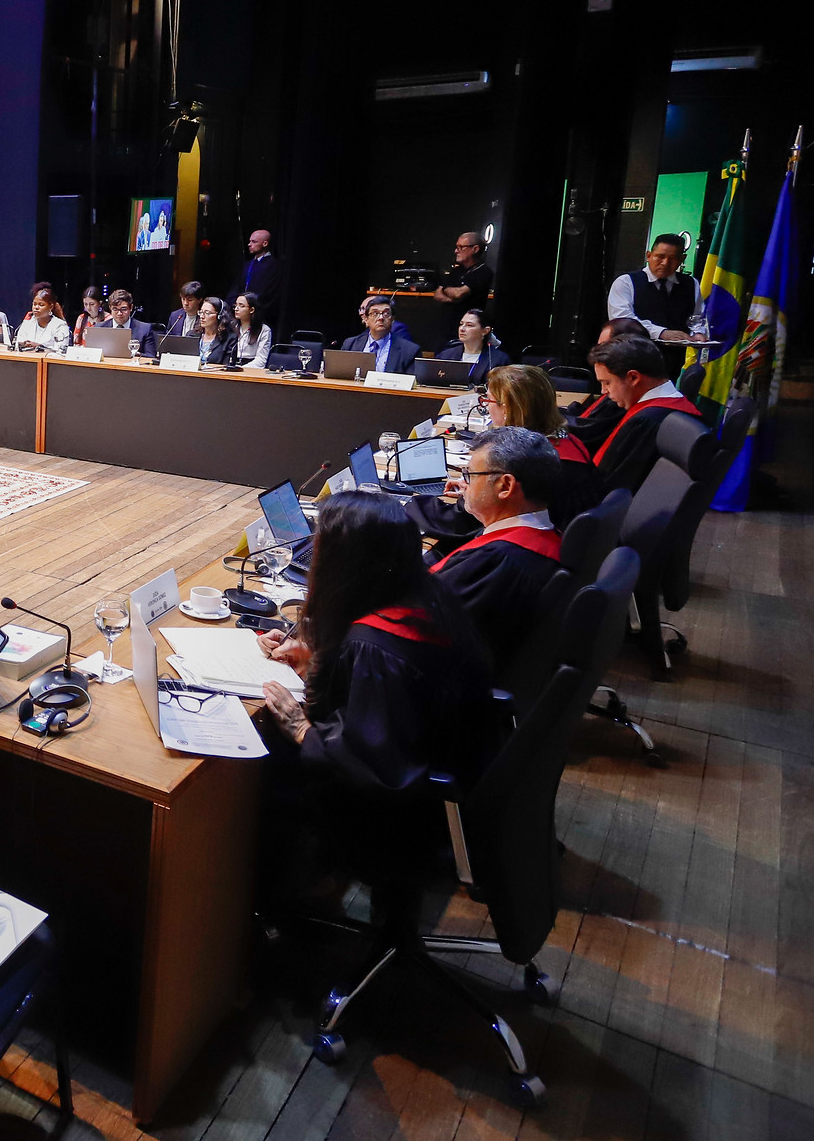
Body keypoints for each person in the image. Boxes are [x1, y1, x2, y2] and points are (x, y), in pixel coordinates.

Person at [251, 491, 490, 908]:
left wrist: (302, 729)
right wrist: (320, 657)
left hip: (390, 813)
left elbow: (370, 758)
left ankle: (280, 901)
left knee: (257, 755)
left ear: (343, 560)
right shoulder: (427, 595)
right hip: (447, 776)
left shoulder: (376, 647)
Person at [428, 428, 563, 667]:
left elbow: (418, 618)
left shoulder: (496, 561)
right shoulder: (542, 536)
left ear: (505, 486)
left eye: (469, 475)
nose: (464, 484)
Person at [475, 364, 601, 525]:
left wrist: (475, 490)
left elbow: (468, 519)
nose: (487, 406)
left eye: (488, 399)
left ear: (506, 408)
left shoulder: (522, 462)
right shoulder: (568, 440)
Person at [586, 334, 701, 497]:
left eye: (607, 382)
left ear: (633, 377)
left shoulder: (648, 421)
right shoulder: (667, 407)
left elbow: (612, 486)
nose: (603, 391)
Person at [563, 316, 650, 452]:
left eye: (604, 346)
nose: (604, 390)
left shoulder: (625, 395)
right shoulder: (618, 388)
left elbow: (588, 433)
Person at [607, 233, 699, 342]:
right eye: (660, 257)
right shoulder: (626, 282)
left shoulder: (691, 283)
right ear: (649, 256)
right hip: (637, 352)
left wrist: (698, 333)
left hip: (680, 355)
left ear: (682, 259)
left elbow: (698, 317)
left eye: (673, 258)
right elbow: (623, 321)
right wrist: (660, 333)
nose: (665, 263)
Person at [341, 295, 420, 375]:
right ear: (366, 319)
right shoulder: (350, 345)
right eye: (375, 313)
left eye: (386, 313)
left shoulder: (409, 351)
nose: (380, 318)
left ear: (392, 319)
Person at [229, 230, 285, 331]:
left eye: (254, 242)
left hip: (260, 316)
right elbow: (237, 287)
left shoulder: (274, 266)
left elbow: (269, 292)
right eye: (249, 241)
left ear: (265, 243)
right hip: (241, 315)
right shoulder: (247, 265)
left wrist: (251, 306)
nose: (249, 244)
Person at [435, 308, 508, 383]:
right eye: (461, 324)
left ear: (485, 331)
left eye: (469, 325)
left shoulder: (499, 360)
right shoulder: (445, 356)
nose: (462, 329)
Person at [433, 232, 494, 318]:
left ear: (475, 249)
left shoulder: (483, 271)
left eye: (460, 247)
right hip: (448, 324)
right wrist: (453, 299)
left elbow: (458, 293)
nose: (456, 251)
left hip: (470, 324)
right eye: (456, 247)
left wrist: (446, 289)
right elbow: (438, 294)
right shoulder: (456, 270)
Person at [13, 285, 71, 353]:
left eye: (41, 305)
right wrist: (23, 344)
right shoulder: (27, 323)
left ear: (51, 307)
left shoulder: (60, 326)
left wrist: (40, 347)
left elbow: (62, 350)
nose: (36, 307)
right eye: (34, 304)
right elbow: (17, 344)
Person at [101, 288, 156, 357]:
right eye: (115, 309)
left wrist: (136, 355)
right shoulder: (100, 328)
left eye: (123, 309)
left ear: (131, 308)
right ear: (110, 308)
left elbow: (151, 356)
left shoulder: (145, 329)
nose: (119, 313)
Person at [231, 292, 273, 368]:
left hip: (251, 369)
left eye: (241, 306)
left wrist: (240, 369)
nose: (236, 309)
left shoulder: (264, 330)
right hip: (230, 367)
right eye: (236, 305)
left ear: (252, 310)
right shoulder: (231, 327)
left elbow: (261, 361)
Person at [193, 297, 237, 364]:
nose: (202, 316)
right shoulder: (192, 335)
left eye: (207, 313)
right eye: (201, 312)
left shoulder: (229, 339)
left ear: (219, 316)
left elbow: (227, 366)